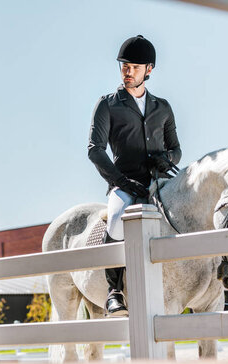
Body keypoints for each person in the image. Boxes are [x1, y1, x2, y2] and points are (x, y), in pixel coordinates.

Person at [88, 35, 182, 317]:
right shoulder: (108, 105)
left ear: (149, 70)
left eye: (135, 67)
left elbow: (176, 149)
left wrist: (166, 160)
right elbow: (95, 150)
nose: (128, 72)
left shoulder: (162, 107)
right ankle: (114, 291)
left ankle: (208, 284)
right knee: (117, 222)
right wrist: (119, 181)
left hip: (159, 182)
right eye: (124, 66)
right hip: (125, 183)